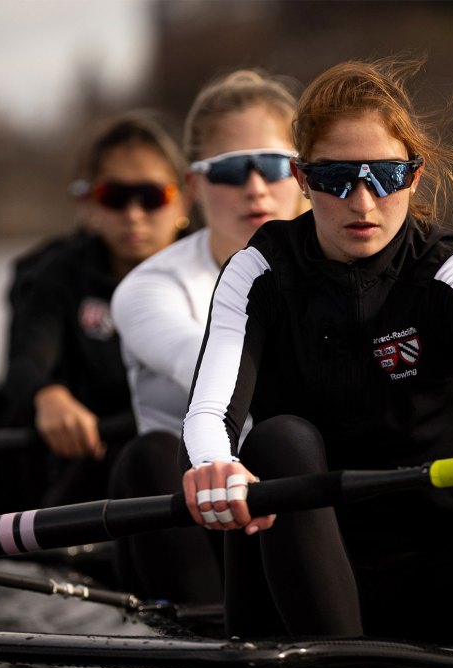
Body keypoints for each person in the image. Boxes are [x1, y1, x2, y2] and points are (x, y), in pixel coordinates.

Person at [178, 58, 453, 668]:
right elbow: (209, 414)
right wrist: (212, 467)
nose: (362, 201)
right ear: (301, 179)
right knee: (278, 441)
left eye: (384, 176)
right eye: (335, 177)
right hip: (302, 580)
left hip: (450, 572)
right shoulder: (257, 273)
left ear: (415, 175)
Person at [0, 111, 190, 515]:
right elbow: (26, 361)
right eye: (115, 197)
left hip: (178, 451)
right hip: (79, 455)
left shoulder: (215, 271)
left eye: (152, 198)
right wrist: (46, 395)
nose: (134, 214)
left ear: (184, 199)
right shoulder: (55, 272)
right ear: (91, 203)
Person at [108, 70, 305, 602]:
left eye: (273, 165)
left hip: (292, 493)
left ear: (305, 175)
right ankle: (206, 618)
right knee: (152, 452)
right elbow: (212, 367)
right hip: (193, 517)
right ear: (193, 185)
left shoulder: (347, 274)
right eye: (231, 171)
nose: (255, 188)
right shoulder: (149, 288)